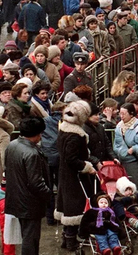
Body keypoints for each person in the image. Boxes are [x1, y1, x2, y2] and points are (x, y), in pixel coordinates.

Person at [4, 117, 52, 255]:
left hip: (16, 198)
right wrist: (48, 195)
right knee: (30, 239)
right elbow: (36, 182)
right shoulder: (32, 153)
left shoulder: (12, 145)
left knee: (27, 236)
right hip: (29, 203)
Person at [54, 100, 97, 251]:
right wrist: (86, 166)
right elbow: (71, 159)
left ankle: (66, 239)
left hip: (65, 174)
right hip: (75, 177)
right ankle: (71, 241)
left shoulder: (64, 129)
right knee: (74, 209)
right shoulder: (75, 135)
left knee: (67, 207)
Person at [113, 102, 138, 191]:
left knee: (135, 189)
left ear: (131, 114)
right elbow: (116, 143)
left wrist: (135, 148)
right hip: (120, 162)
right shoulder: (119, 127)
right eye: (120, 113)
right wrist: (116, 152)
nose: (121, 116)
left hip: (133, 163)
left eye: (124, 114)